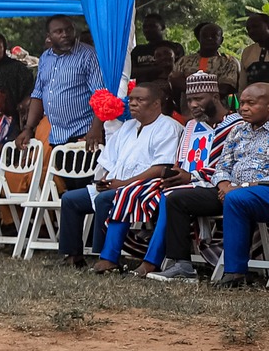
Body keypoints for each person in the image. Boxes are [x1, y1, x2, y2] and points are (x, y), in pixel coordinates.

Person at [56, 84, 181, 271]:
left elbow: (161, 167)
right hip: (116, 184)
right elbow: (109, 161)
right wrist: (104, 180)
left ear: (156, 104)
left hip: (144, 188)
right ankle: (73, 256)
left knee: (106, 200)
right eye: (131, 99)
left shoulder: (169, 127)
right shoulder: (128, 127)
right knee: (70, 199)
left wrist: (123, 184)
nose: (133, 104)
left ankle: (107, 257)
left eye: (140, 100)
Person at [137, 72, 244, 281]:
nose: (193, 105)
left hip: (224, 188)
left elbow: (232, 166)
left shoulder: (237, 125)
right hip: (193, 185)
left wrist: (191, 177)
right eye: (189, 100)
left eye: (199, 99)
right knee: (149, 193)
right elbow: (182, 161)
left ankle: (174, 263)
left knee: (174, 198)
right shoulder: (192, 126)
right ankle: (146, 249)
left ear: (214, 96)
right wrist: (177, 174)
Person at [209, 82, 269, 287]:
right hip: (233, 192)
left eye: (251, 103)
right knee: (177, 198)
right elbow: (222, 164)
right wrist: (224, 184)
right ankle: (179, 262)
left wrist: (245, 186)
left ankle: (234, 272)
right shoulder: (238, 130)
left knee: (237, 198)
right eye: (242, 102)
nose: (243, 108)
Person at [18, 16, 106, 149]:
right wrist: (28, 128)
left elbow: (100, 95)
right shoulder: (45, 58)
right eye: (58, 31)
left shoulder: (88, 55)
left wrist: (96, 129)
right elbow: (38, 95)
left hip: (84, 134)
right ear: (49, 36)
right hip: (57, 135)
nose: (65, 34)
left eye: (69, 30)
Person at [171, 20, 241, 105]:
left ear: (221, 40)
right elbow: (174, 81)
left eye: (214, 36)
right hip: (188, 112)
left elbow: (225, 88)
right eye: (205, 36)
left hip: (218, 111)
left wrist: (191, 88)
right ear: (199, 38)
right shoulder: (184, 61)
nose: (209, 38)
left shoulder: (228, 62)